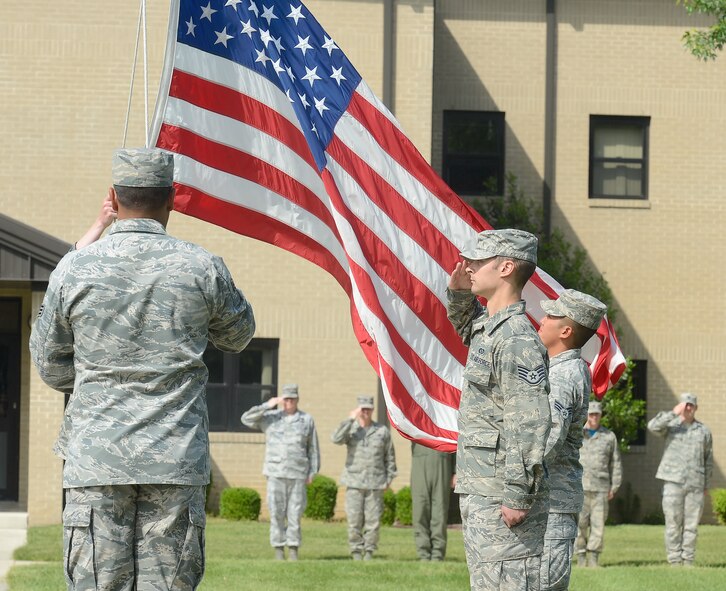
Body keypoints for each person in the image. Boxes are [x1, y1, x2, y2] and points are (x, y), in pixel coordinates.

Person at [29, 148, 256, 590]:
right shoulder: (201, 266)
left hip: (96, 457)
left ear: (113, 197)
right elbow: (238, 336)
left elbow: (50, 365)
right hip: (174, 456)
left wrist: (99, 386)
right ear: (172, 198)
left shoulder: (74, 268)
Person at [447, 228, 551, 591]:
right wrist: (459, 293)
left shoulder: (517, 339)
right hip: (483, 488)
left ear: (506, 267)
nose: (467, 266)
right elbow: (467, 329)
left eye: (477, 260)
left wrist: (519, 494)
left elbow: (530, 421)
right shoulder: (492, 329)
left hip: (501, 494)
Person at [537, 290, 607, 588]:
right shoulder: (561, 368)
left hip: (553, 502)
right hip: (550, 500)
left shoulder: (564, 376)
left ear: (566, 331)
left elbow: (548, 440)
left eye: (551, 316)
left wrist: (514, 479)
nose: (542, 320)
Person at [241, 383, 320, 561]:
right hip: (275, 472)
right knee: (276, 511)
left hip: (298, 473)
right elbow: (246, 419)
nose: (288, 402)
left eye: (292, 399)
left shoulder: (306, 420)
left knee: (295, 512)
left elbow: (313, 448)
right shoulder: (271, 417)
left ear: (297, 400)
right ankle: (278, 549)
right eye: (285, 399)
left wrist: (312, 472)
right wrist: (267, 405)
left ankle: (293, 549)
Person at [647, 392, 713, 566]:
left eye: (691, 405)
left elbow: (708, 460)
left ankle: (688, 560)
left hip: (695, 484)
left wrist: (706, 484)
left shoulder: (704, 431)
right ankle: (675, 560)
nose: (688, 408)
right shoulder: (671, 425)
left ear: (696, 408)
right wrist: (673, 413)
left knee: (691, 525)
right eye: (686, 405)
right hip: (673, 482)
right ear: (681, 406)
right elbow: (652, 426)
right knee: (673, 523)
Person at [331, 396, 397, 561]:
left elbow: (390, 457)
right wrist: (350, 419)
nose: (365, 412)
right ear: (358, 410)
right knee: (354, 520)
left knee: (373, 521)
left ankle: (368, 551)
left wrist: (388, 479)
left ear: (373, 410)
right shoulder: (351, 430)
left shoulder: (382, 431)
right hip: (354, 483)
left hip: (376, 483)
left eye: (368, 409)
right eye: (363, 409)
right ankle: (355, 551)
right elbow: (336, 439)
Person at [575, 401, 622, 567]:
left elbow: (615, 463)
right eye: (590, 414)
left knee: (598, 524)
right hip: (579, 487)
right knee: (579, 524)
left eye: (596, 414)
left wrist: (614, 486)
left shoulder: (609, 437)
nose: (593, 417)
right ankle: (580, 556)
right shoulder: (577, 434)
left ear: (600, 415)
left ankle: (594, 557)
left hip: (601, 488)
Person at [411, 442, 456, 561]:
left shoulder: (446, 422)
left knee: (439, 512)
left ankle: (438, 554)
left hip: (443, 463)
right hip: (420, 463)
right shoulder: (417, 423)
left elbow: (455, 443)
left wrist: (455, 471)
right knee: (420, 510)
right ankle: (423, 553)